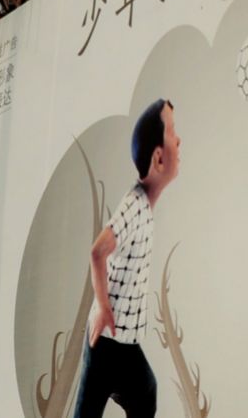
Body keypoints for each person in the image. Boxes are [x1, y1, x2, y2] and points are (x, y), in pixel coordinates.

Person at [74, 99, 182, 418]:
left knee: (146, 392)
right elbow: (97, 251)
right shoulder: (134, 205)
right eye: (174, 133)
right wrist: (104, 307)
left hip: (125, 346)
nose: (180, 140)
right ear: (159, 158)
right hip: (106, 344)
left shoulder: (146, 207)